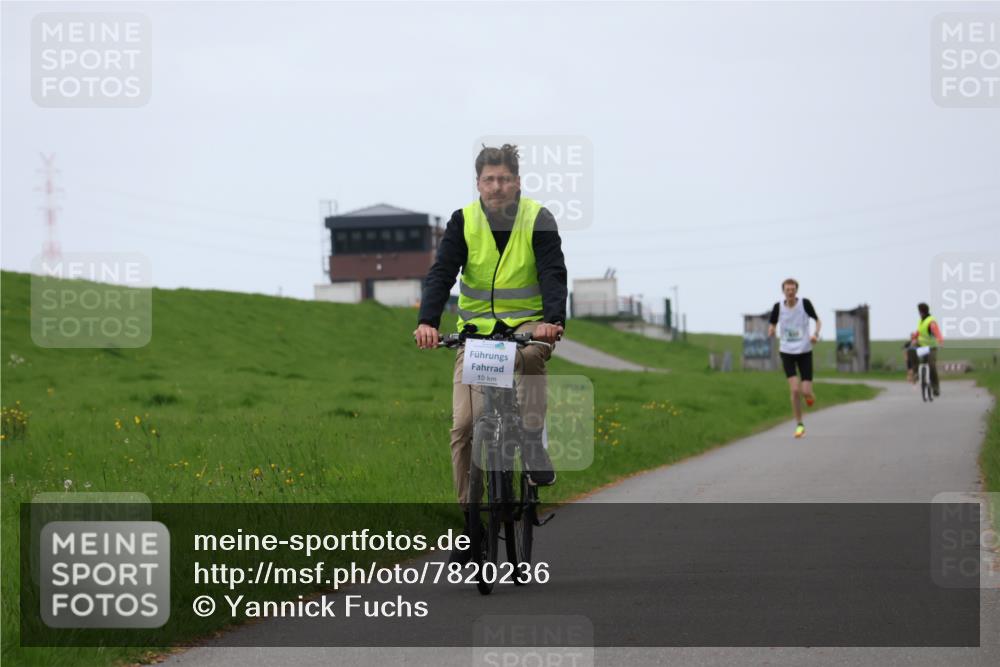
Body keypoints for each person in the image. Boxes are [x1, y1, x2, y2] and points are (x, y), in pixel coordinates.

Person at [413, 143, 567, 564]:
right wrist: (428, 321)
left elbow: (553, 272)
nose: (496, 187)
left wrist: (552, 320)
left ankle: (533, 440)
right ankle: (471, 526)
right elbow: (442, 272)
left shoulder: (538, 219)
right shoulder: (464, 221)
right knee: (464, 427)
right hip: (476, 336)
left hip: (526, 330)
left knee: (534, 357)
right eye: (488, 180)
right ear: (477, 183)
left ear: (517, 182)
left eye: (503, 179)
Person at [767, 278, 821, 439]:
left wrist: (815, 334)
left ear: (796, 291)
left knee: (805, 391)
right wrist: (771, 331)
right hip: (787, 351)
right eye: (787, 289)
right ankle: (799, 425)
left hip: (804, 351)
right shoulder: (778, 307)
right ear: (783, 291)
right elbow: (772, 324)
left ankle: (809, 396)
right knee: (795, 389)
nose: (790, 292)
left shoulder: (805, 304)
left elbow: (818, 321)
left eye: (792, 289)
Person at [909, 302, 943, 396]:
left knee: (932, 366)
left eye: (919, 311)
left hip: (931, 348)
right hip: (922, 347)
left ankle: (935, 388)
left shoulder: (931, 322)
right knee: (911, 350)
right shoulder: (921, 321)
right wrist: (913, 339)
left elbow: (936, 332)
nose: (918, 313)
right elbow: (919, 332)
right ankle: (916, 373)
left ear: (922, 312)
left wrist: (940, 341)